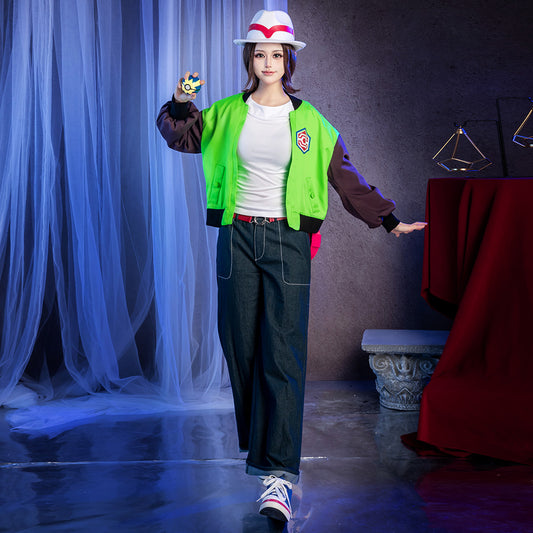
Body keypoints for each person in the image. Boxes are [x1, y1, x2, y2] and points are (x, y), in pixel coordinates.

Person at [157, 9, 426, 523]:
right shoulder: (224, 114)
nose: (268, 62)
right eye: (259, 54)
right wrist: (181, 101)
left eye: (277, 54)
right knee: (241, 348)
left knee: (282, 354)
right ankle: (262, 450)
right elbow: (179, 136)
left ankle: (277, 474)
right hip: (236, 237)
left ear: (289, 60)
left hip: (288, 241)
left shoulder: (311, 122)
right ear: (249, 60)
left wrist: (388, 219)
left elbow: (345, 175)